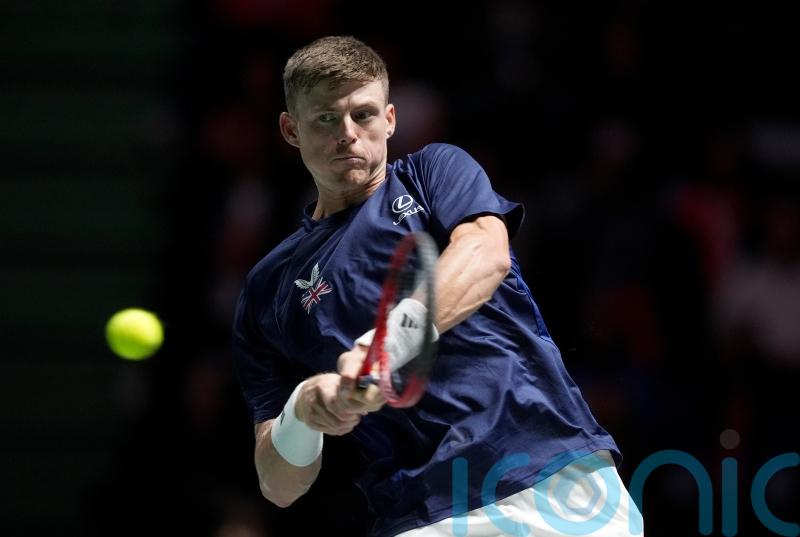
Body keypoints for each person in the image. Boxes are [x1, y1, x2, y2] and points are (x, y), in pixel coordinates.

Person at [232, 35, 643, 537]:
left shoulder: (432, 174)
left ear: (389, 119)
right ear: (290, 129)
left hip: (554, 478)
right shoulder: (267, 289)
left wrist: (387, 345)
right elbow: (278, 484)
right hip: (422, 515)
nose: (347, 134)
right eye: (324, 119)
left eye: (362, 115)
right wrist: (304, 413)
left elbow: (485, 254)